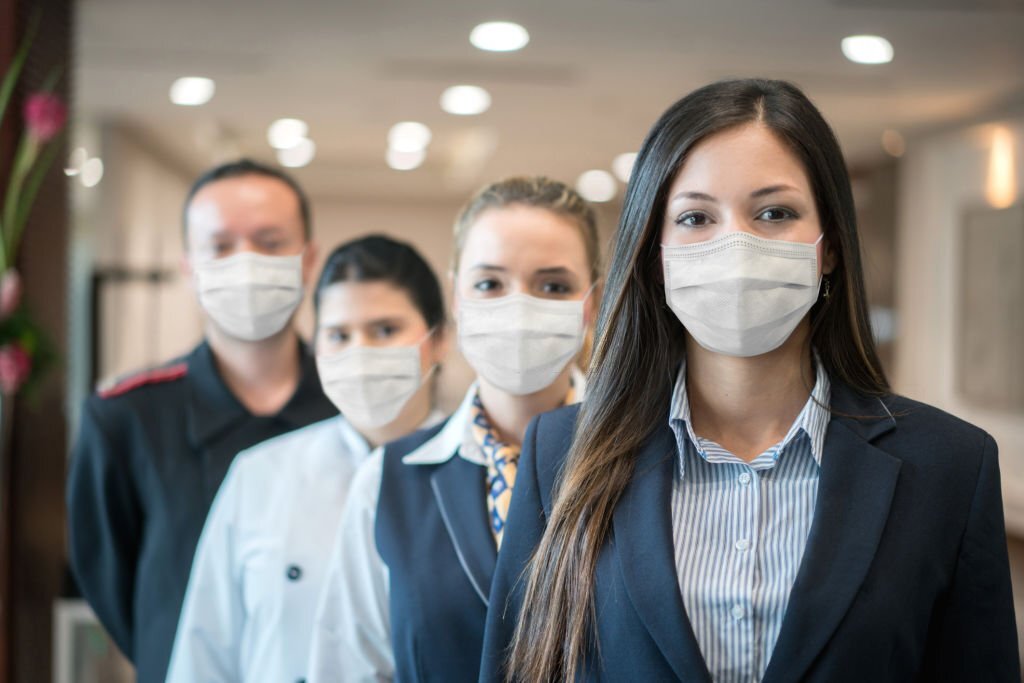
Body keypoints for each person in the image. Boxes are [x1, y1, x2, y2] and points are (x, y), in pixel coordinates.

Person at [481, 79, 1020, 683]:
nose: (734, 245)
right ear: (655, 254)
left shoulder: (949, 464)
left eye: (774, 212)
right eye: (695, 217)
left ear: (830, 247)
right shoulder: (560, 453)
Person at [306, 176, 602, 682]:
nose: (518, 306)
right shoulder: (389, 480)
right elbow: (350, 668)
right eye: (489, 284)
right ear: (457, 300)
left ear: (590, 303)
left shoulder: (653, 457)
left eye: (553, 285)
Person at [66, 159, 337, 683]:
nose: (247, 261)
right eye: (220, 246)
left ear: (309, 260)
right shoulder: (125, 418)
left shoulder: (352, 411)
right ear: (190, 266)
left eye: (270, 241)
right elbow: (110, 583)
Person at [165, 235, 449, 683]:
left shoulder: (478, 472)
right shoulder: (259, 475)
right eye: (339, 335)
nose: (360, 352)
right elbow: (205, 656)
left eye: (386, 330)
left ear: (440, 340)